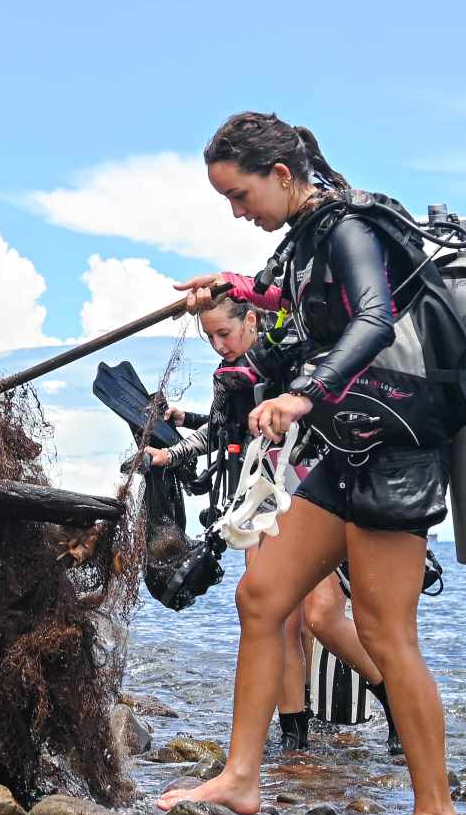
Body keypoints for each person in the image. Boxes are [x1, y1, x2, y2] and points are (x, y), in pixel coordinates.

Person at [155, 113, 465, 815]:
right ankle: (241, 776)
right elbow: (267, 294)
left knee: (389, 633)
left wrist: (305, 393)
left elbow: (375, 321)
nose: (237, 211)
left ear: (283, 176)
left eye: (240, 194)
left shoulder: (348, 230)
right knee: (261, 596)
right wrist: (223, 285)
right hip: (349, 447)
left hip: (396, 450)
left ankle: (437, 813)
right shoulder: (299, 242)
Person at [143, 300, 400, 757]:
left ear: (252, 320)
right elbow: (219, 436)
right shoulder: (227, 379)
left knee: (322, 614)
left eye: (225, 333)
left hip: (311, 492)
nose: (220, 345)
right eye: (211, 338)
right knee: (278, 621)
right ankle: (294, 741)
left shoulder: (291, 359)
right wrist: (167, 455)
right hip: (258, 503)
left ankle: (394, 700)